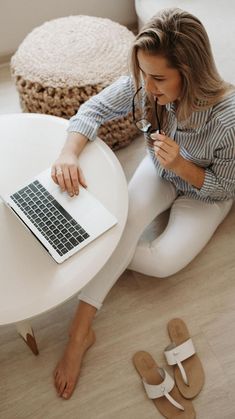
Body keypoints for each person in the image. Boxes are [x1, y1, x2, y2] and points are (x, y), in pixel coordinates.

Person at [51, 8, 235, 399]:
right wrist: (68, 152)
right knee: (122, 226)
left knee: (161, 261)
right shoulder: (144, 87)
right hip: (159, 172)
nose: (147, 87)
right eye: (143, 74)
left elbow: (226, 187)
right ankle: (79, 332)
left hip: (204, 192)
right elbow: (93, 109)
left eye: (158, 78)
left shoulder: (227, 120)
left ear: (189, 71)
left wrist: (183, 165)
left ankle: (98, 244)